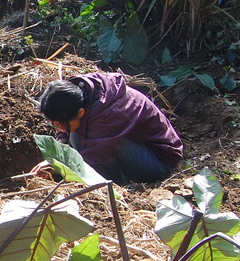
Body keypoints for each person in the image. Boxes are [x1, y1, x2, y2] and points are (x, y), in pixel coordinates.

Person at [30, 72, 184, 184]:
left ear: (81, 112)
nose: (58, 129)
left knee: (86, 141)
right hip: (136, 148)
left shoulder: (109, 113)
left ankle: (114, 184)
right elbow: (65, 131)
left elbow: (97, 158)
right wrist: (56, 155)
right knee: (74, 134)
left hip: (159, 162)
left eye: (59, 124)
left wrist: (58, 167)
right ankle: (113, 178)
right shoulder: (82, 96)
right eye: (54, 124)